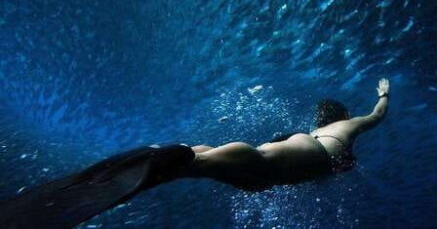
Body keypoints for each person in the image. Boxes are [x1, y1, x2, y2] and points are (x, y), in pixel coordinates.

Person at [0, 79, 390, 228]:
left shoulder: (319, 133)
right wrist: (384, 94)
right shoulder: (343, 128)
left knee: (201, 161)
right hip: (263, 172)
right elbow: (376, 116)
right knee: (201, 164)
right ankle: (167, 161)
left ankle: (167, 158)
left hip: (263, 165)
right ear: (341, 116)